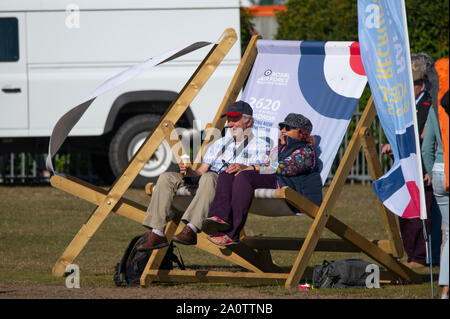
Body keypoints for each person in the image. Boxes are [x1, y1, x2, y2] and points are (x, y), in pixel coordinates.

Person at [136, 100, 269, 250]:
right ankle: (157, 232)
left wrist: (246, 167)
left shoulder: (261, 145)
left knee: (209, 177)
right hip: (205, 180)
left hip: (223, 184)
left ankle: (191, 229)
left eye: (235, 120)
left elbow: (269, 168)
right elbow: (201, 171)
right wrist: (189, 171)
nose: (230, 124)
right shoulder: (219, 144)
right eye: (229, 120)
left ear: (249, 121)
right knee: (167, 177)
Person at [203, 113, 323, 246]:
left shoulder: (306, 152)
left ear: (302, 134)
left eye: (287, 128)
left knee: (244, 176)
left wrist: (251, 168)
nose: (282, 130)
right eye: (281, 127)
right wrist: (245, 167)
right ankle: (220, 218)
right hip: (274, 180)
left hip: (290, 190)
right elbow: (266, 165)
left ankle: (233, 233)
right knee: (229, 173)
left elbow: (283, 168)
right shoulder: (278, 149)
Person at [381, 54, 441, 268]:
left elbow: (431, 140)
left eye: (411, 83)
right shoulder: (408, 105)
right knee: (406, 213)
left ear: (420, 84)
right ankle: (412, 255)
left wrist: (430, 169)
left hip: (423, 168)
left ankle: (421, 257)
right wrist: (392, 146)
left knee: (421, 215)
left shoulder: (429, 103)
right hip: (407, 166)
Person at [422, 58, 449, 299]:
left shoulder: (434, 109)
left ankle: (444, 286)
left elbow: (426, 148)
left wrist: (432, 172)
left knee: (447, 232)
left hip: (439, 171)